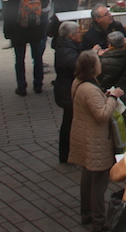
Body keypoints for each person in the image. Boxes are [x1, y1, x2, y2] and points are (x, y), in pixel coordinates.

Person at [69, 49, 125, 232]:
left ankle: (86, 214)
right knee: (98, 184)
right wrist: (114, 98)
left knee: (87, 178)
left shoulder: (78, 82)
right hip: (96, 141)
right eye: (98, 62)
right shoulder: (90, 89)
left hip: (83, 136)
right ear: (93, 68)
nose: (101, 64)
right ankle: (99, 222)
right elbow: (102, 115)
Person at [4, 0, 49, 96]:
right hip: (36, 28)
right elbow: (45, 6)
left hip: (19, 30)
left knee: (19, 59)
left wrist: (7, 32)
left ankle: (22, 86)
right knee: (37, 57)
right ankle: (38, 84)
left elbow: (10, 14)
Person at [53, 20, 84, 163]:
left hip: (68, 90)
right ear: (71, 36)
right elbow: (76, 66)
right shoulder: (66, 50)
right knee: (69, 123)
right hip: (68, 92)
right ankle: (66, 155)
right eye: (78, 32)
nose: (80, 34)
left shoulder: (67, 46)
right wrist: (91, 55)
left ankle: (68, 154)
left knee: (70, 122)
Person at [97, 31, 126, 110]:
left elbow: (101, 80)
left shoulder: (103, 61)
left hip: (112, 98)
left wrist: (99, 57)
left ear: (109, 45)